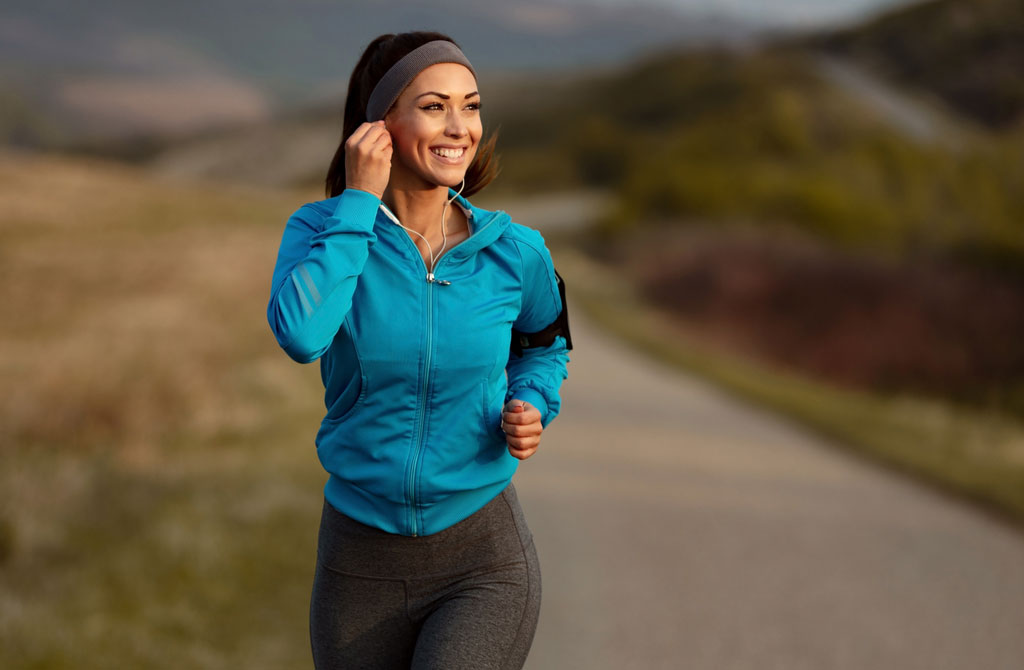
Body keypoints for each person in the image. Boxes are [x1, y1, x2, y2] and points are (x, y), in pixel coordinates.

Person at [266, 31, 571, 669]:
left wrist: (531, 400)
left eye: (471, 105)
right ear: (377, 127)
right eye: (434, 106)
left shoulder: (517, 251)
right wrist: (356, 204)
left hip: (482, 560)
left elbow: (546, 343)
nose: (460, 127)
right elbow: (301, 335)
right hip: (358, 564)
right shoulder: (321, 233)